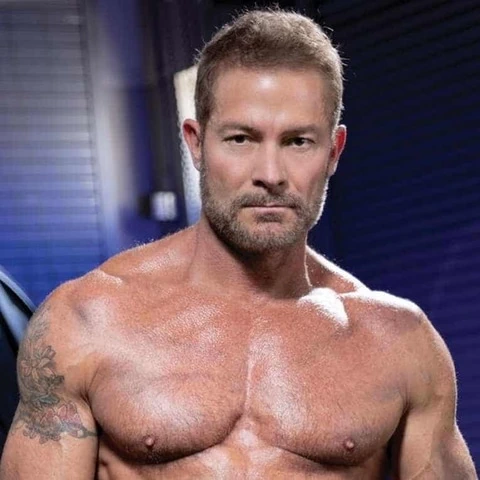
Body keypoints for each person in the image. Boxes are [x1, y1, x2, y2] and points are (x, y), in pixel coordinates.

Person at [0, 8, 477, 479]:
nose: (270, 174)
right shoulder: (86, 321)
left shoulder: (397, 343)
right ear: (195, 143)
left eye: (298, 141)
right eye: (241, 139)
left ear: (333, 151)